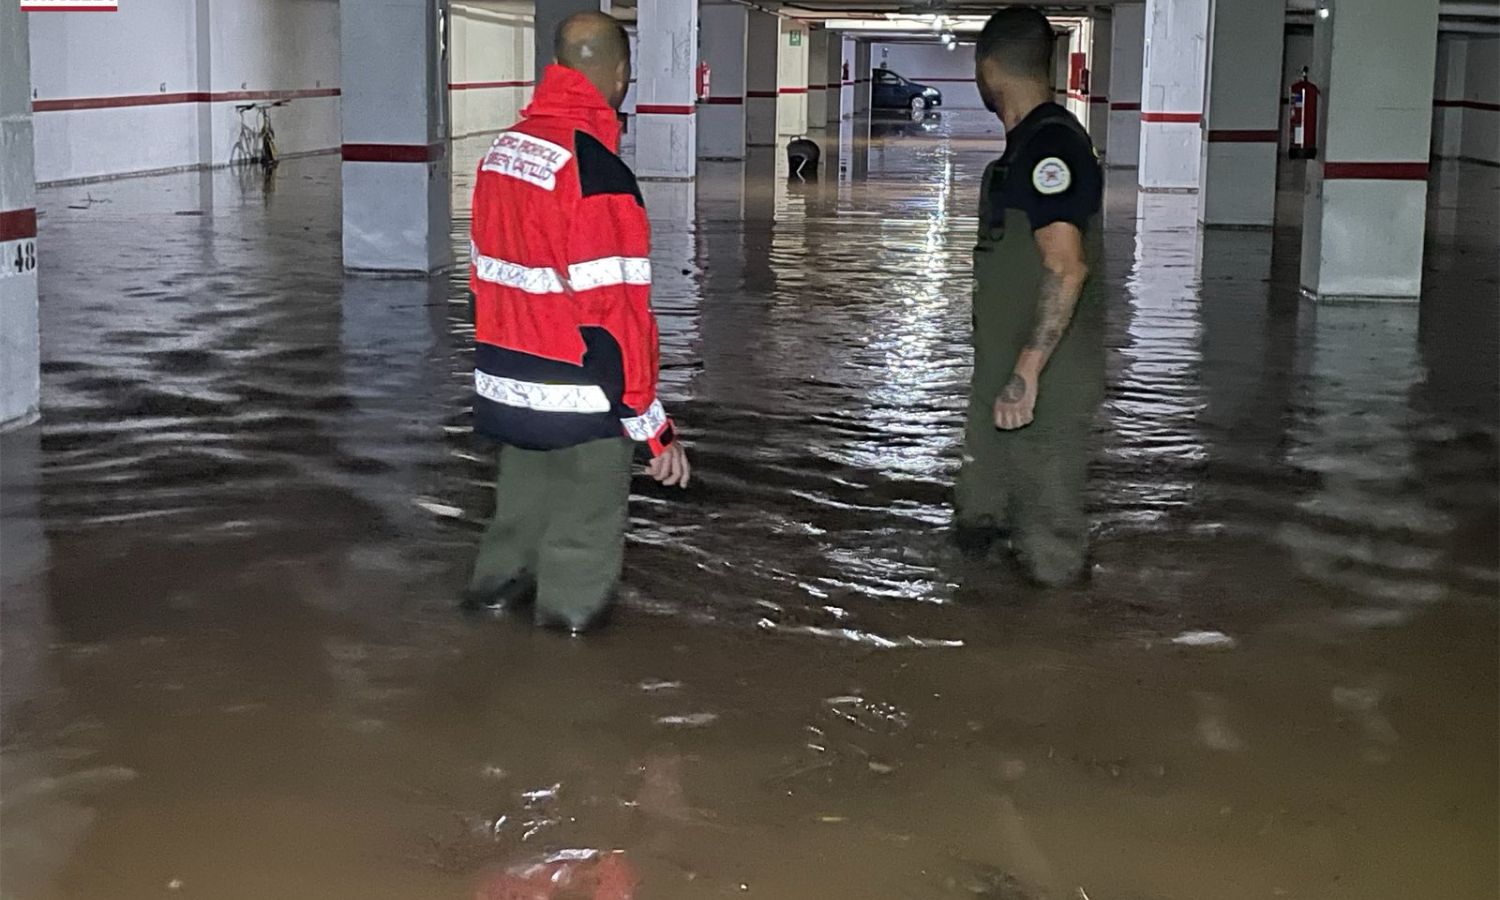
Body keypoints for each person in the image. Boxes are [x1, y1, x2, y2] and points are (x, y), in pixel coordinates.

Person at [463, 11, 690, 634]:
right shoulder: (597, 172)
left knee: (516, 524)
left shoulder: (502, 152)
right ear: (619, 77)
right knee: (579, 551)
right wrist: (653, 429)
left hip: (506, 389)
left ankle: (478, 633)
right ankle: (562, 688)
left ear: (557, 68)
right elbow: (615, 317)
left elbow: (482, 275)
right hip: (580, 399)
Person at [955, 8, 1107, 587]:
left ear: (988, 69)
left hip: (1043, 384)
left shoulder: (1052, 148)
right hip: (1005, 381)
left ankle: (1059, 656)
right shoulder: (1024, 149)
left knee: (1050, 544)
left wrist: (1026, 373)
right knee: (982, 523)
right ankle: (990, 649)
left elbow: (1067, 269)